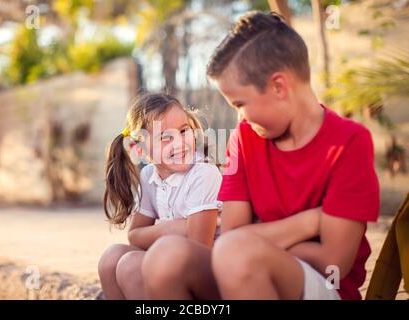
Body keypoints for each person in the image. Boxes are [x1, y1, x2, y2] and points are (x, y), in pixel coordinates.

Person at [141, 12, 380, 300]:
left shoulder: (349, 142)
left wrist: (255, 238)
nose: (239, 116)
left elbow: (334, 262)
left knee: (237, 252)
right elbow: (232, 235)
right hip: (239, 271)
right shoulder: (243, 138)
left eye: (240, 103)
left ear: (279, 86)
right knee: (166, 256)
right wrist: (310, 223)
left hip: (323, 287)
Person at [98, 92, 222, 299]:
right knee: (111, 258)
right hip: (172, 258)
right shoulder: (149, 176)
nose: (180, 143)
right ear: (140, 150)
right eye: (165, 138)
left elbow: (198, 246)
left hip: (211, 272)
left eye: (184, 131)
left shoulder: (203, 172)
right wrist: (175, 227)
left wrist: (161, 233)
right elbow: (134, 237)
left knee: (130, 265)